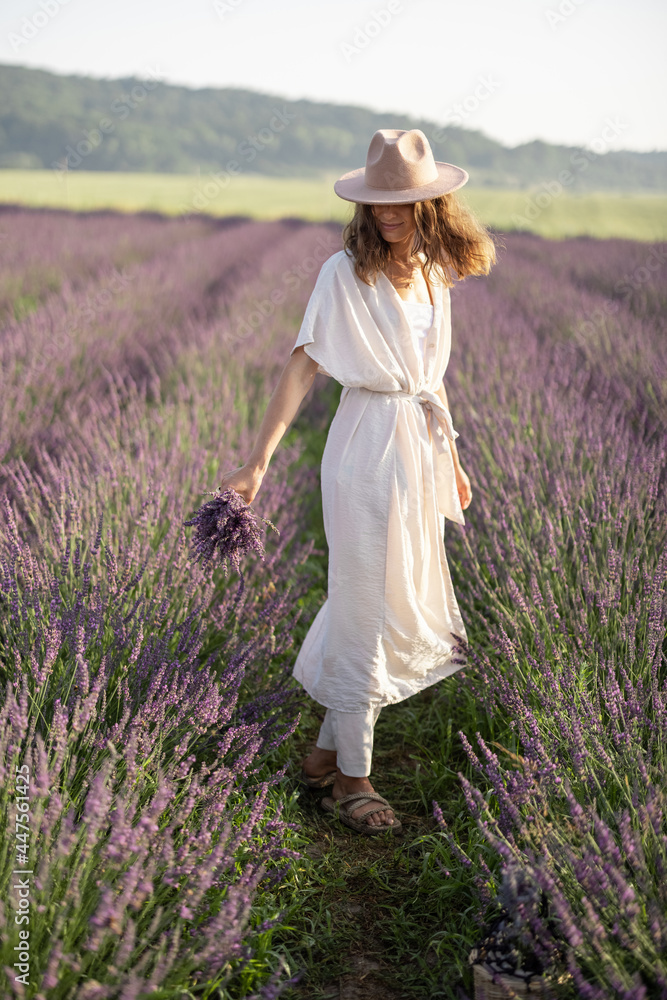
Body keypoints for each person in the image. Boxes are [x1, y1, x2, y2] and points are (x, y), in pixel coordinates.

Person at [219, 128, 497, 835]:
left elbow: (432, 379)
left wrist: (453, 463)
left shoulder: (436, 274)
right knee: (366, 601)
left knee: (384, 596)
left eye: (401, 201)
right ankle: (353, 777)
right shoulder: (342, 273)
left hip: (418, 444)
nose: (388, 213)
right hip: (363, 444)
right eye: (378, 202)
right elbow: (301, 366)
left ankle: (319, 755)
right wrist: (258, 463)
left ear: (431, 203)